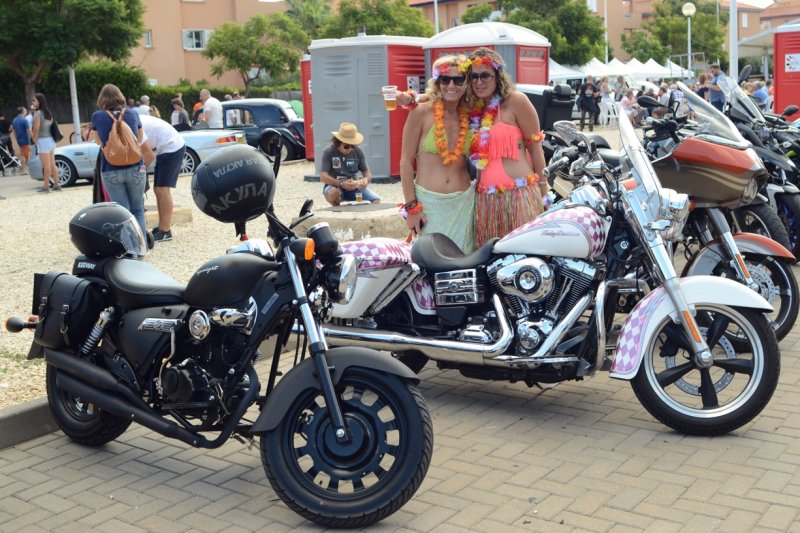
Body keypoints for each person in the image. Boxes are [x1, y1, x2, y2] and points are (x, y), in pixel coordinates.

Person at [462, 47, 547, 247]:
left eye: (485, 76)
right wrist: (411, 99)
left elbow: (536, 150)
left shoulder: (517, 101)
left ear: (497, 76)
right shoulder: (471, 110)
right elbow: (439, 99)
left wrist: (544, 194)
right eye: (473, 77)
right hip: (486, 202)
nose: (479, 82)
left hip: (520, 196)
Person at [399, 54, 476, 252]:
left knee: (462, 265)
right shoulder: (421, 112)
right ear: (437, 82)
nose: (452, 85)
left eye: (458, 79)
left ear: (466, 83)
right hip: (429, 205)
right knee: (427, 263)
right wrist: (411, 208)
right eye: (445, 79)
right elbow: (406, 162)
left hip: (464, 203)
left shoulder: (471, 116)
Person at [90, 83, 147, 233]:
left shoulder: (97, 116)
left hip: (110, 168)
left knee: (122, 213)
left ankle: (129, 248)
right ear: (120, 96)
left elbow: (98, 142)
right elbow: (139, 138)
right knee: (138, 209)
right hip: (136, 167)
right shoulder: (132, 113)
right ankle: (142, 246)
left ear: (102, 99)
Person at [139, 114, 186, 242]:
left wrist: (139, 173)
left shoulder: (131, 124)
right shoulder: (131, 119)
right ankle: (161, 227)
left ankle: (165, 230)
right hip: (163, 147)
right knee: (157, 189)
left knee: (162, 189)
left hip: (172, 146)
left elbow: (148, 155)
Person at [319, 122, 379, 206]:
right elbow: (323, 177)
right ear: (338, 142)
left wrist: (366, 180)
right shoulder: (328, 151)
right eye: (347, 146)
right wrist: (341, 183)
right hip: (335, 186)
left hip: (354, 187)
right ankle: (338, 211)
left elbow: (367, 172)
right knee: (333, 193)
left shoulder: (358, 151)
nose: (350, 149)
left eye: (353, 146)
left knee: (376, 200)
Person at [31, 93, 61, 192]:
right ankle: (56, 184)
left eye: (34, 100)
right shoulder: (48, 112)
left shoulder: (38, 113)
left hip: (42, 140)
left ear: (39, 101)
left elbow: (36, 128)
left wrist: (34, 140)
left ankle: (45, 186)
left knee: (46, 165)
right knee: (52, 164)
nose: (33, 102)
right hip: (51, 140)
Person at [11, 107, 32, 174]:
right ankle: (23, 170)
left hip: (19, 139)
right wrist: (33, 137)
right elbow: (28, 131)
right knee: (24, 155)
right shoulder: (24, 120)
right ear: (23, 111)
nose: (26, 112)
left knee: (26, 154)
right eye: (25, 110)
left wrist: (16, 138)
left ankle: (24, 169)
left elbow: (14, 132)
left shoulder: (14, 120)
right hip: (25, 139)